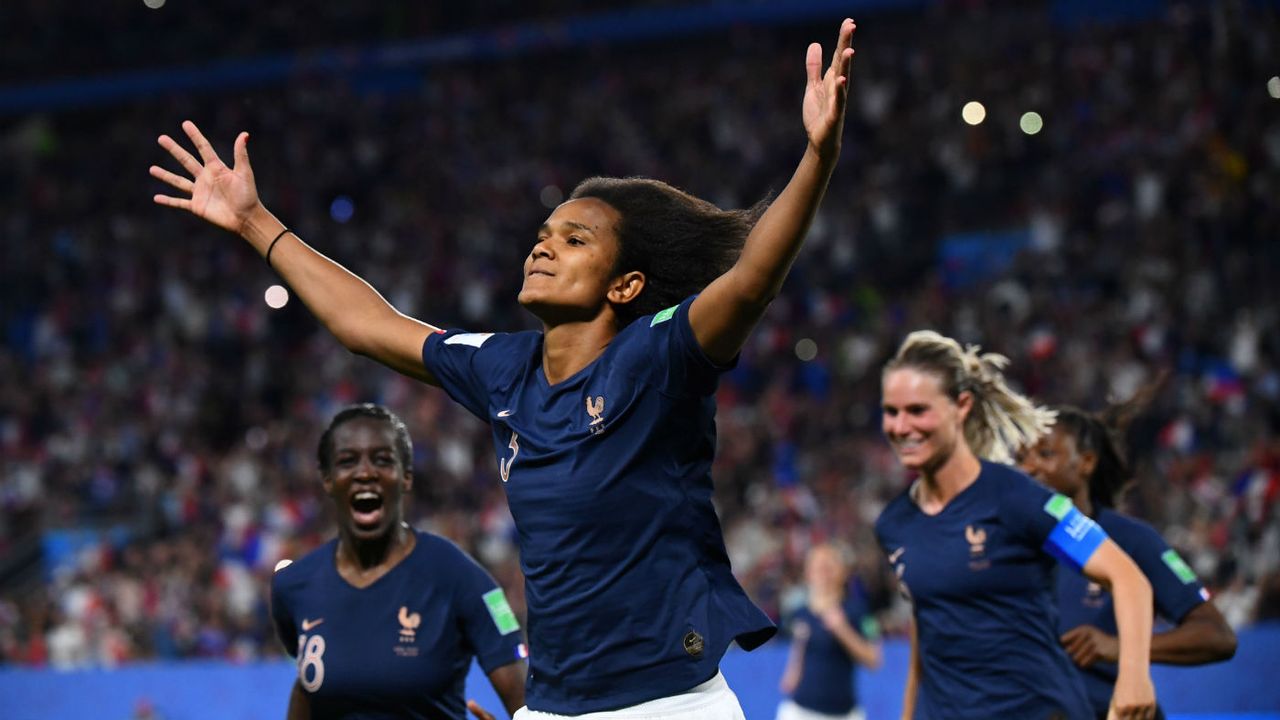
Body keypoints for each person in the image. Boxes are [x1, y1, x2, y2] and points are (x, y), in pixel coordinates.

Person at [152, 18, 858, 719]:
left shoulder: (657, 355)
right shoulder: (502, 368)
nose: (543, 248)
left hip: (668, 705)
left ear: (625, 286)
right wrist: (253, 222)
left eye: (575, 240)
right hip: (553, 708)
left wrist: (817, 157)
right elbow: (366, 326)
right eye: (544, 235)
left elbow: (752, 280)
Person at [872, 330, 1158, 720]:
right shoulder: (894, 524)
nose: (901, 426)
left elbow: (1127, 577)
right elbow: (928, 625)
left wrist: (1133, 679)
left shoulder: (1016, 497)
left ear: (961, 406)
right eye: (891, 411)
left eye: (918, 410)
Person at [270, 403, 527, 720]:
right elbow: (308, 687)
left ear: (406, 478)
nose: (365, 473)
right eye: (348, 461)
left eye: (382, 460)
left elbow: (526, 703)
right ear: (327, 479)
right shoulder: (294, 585)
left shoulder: (458, 576)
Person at [1019, 394, 1237, 720]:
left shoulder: (1130, 540)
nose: (1029, 467)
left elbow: (1217, 636)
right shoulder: (1008, 539)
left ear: (1087, 463)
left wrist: (1121, 648)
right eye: (1021, 457)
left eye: (1045, 454)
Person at [776, 543, 882, 720]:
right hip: (801, 711)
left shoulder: (860, 612)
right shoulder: (800, 613)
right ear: (808, 574)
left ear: (842, 572)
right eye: (817, 568)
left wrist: (842, 629)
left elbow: (874, 659)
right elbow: (799, 650)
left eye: (828, 568)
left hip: (844, 713)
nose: (823, 574)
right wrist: (792, 675)